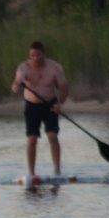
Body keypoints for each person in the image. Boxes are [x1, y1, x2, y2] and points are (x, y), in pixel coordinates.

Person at [10, 41, 68, 178]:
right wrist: (16, 86)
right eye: (32, 56)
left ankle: (57, 171)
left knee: (52, 136)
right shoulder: (24, 67)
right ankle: (31, 173)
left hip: (50, 105)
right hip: (32, 106)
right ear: (29, 56)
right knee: (32, 140)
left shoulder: (55, 67)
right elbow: (17, 81)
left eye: (38, 55)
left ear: (44, 54)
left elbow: (64, 88)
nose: (35, 58)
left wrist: (60, 104)